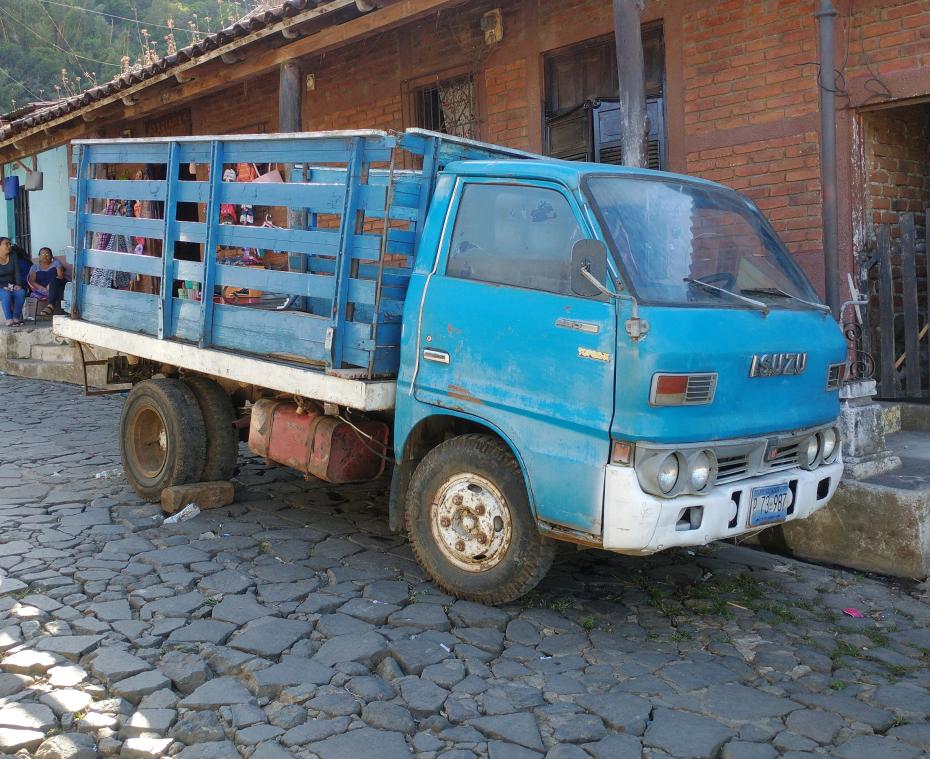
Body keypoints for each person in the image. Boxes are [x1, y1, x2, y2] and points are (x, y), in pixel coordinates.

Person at [28, 247, 66, 317]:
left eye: (47, 254)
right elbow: (31, 281)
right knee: (60, 290)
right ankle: (63, 311)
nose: (45, 256)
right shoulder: (35, 267)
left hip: (57, 283)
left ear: (51, 256)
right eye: (42, 254)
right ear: (39, 256)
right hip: (42, 289)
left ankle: (51, 306)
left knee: (57, 284)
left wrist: (51, 285)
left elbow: (60, 276)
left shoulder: (56, 263)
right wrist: (42, 288)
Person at [0, 237, 26, 326]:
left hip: (11, 285)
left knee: (21, 292)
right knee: (5, 294)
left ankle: (16, 317)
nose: (9, 245)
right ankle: (9, 319)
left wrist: (18, 284)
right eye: (6, 244)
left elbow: (17, 271)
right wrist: (3, 286)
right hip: (0, 286)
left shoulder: (13, 255)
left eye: (10, 244)